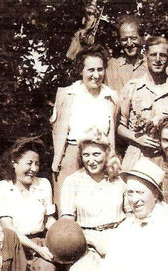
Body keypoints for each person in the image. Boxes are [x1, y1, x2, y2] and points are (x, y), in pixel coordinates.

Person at [51, 44, 118, 206]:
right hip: (73, 154)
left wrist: (111, 158)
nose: (96, 75)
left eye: (100, 69)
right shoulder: (67, 94)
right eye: (91, 70)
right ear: (81, 71)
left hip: (101, 155)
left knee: (97, 204)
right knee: (67, 203)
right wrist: (57, 160)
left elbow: (112, 134)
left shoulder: (111, 97)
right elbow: (57, 130)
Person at [60, 127, 126, 271]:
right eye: (86, 155)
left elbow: (131, 217)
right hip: (85, 243)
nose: (91, 160)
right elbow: (67, 225)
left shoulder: (119, 181)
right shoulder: (72, 182)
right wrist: (94, 243)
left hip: (118, 240)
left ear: (107, 153)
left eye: (96, 154)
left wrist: (119, 242)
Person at [0, 137, 58, 271]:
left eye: (37, 164)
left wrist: (62, 232)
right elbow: (9, 229)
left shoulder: (44, 185)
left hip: (39, 243)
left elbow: (48, 220)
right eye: (29, 163)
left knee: (46, 268)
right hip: (11, 247)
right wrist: (37, 249)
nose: (34, 168)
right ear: (14, 163)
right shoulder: (1, 188)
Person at [118, 36, 168, 170]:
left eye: (162, 55)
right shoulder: (131, 88)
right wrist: (136, 138)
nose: (157, 60)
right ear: (145, 56)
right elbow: (119, 127)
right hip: (137, 156)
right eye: (153, 55)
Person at [104, 15, 147, 93]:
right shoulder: (113, 67)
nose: (129, 44)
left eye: (133, 38)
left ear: (142, 39)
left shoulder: (150, 67)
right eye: (124, 39)